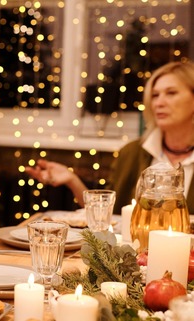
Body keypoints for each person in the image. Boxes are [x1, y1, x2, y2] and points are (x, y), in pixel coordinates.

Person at [26, 61, 194, 214]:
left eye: (171, 93)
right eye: (155, 95)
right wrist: (72, 180)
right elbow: (106, 216)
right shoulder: (132, 152)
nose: (159, 103)